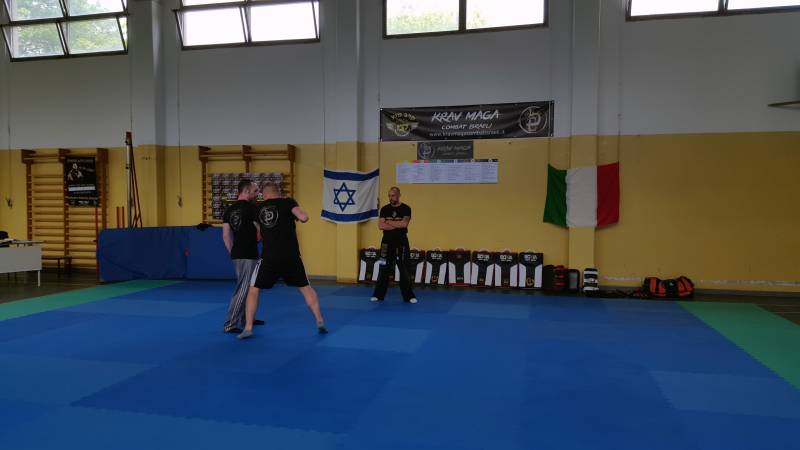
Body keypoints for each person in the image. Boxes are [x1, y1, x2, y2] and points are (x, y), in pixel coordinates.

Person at [238, 182, 327, 339]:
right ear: (278, 192)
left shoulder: (259, 208)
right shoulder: (288, 202)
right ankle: (319, 321)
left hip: (269, 257)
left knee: (254, 290)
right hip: (291, 256)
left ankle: (248, 327)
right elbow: (304, 217)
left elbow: (258, 229)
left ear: (264, 195)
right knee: (305, 288)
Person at [221, 179, 264, 333]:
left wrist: (233, 252)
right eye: (255, 191)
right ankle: (230, 323)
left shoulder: (229, 210)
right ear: (246, 191)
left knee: (252, 287)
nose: (257, 194)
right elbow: (261, 229)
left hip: (238, 254)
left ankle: (247, 318)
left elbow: (226, 236)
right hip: (248, 254)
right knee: (244, 288)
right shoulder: (252, 208)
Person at [371, 186, 417, 304]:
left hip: (401, 242)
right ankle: (378, 295)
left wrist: (388, 221)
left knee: (404, 269)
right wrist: (396, 224)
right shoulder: (384, 209)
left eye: (393, 195)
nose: (391, 198)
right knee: (383, 268)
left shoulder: (406, 208)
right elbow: (381, 226)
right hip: (386, 243)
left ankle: (408, 296)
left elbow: (404, 224)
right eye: (389, 196)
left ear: (398, 195)